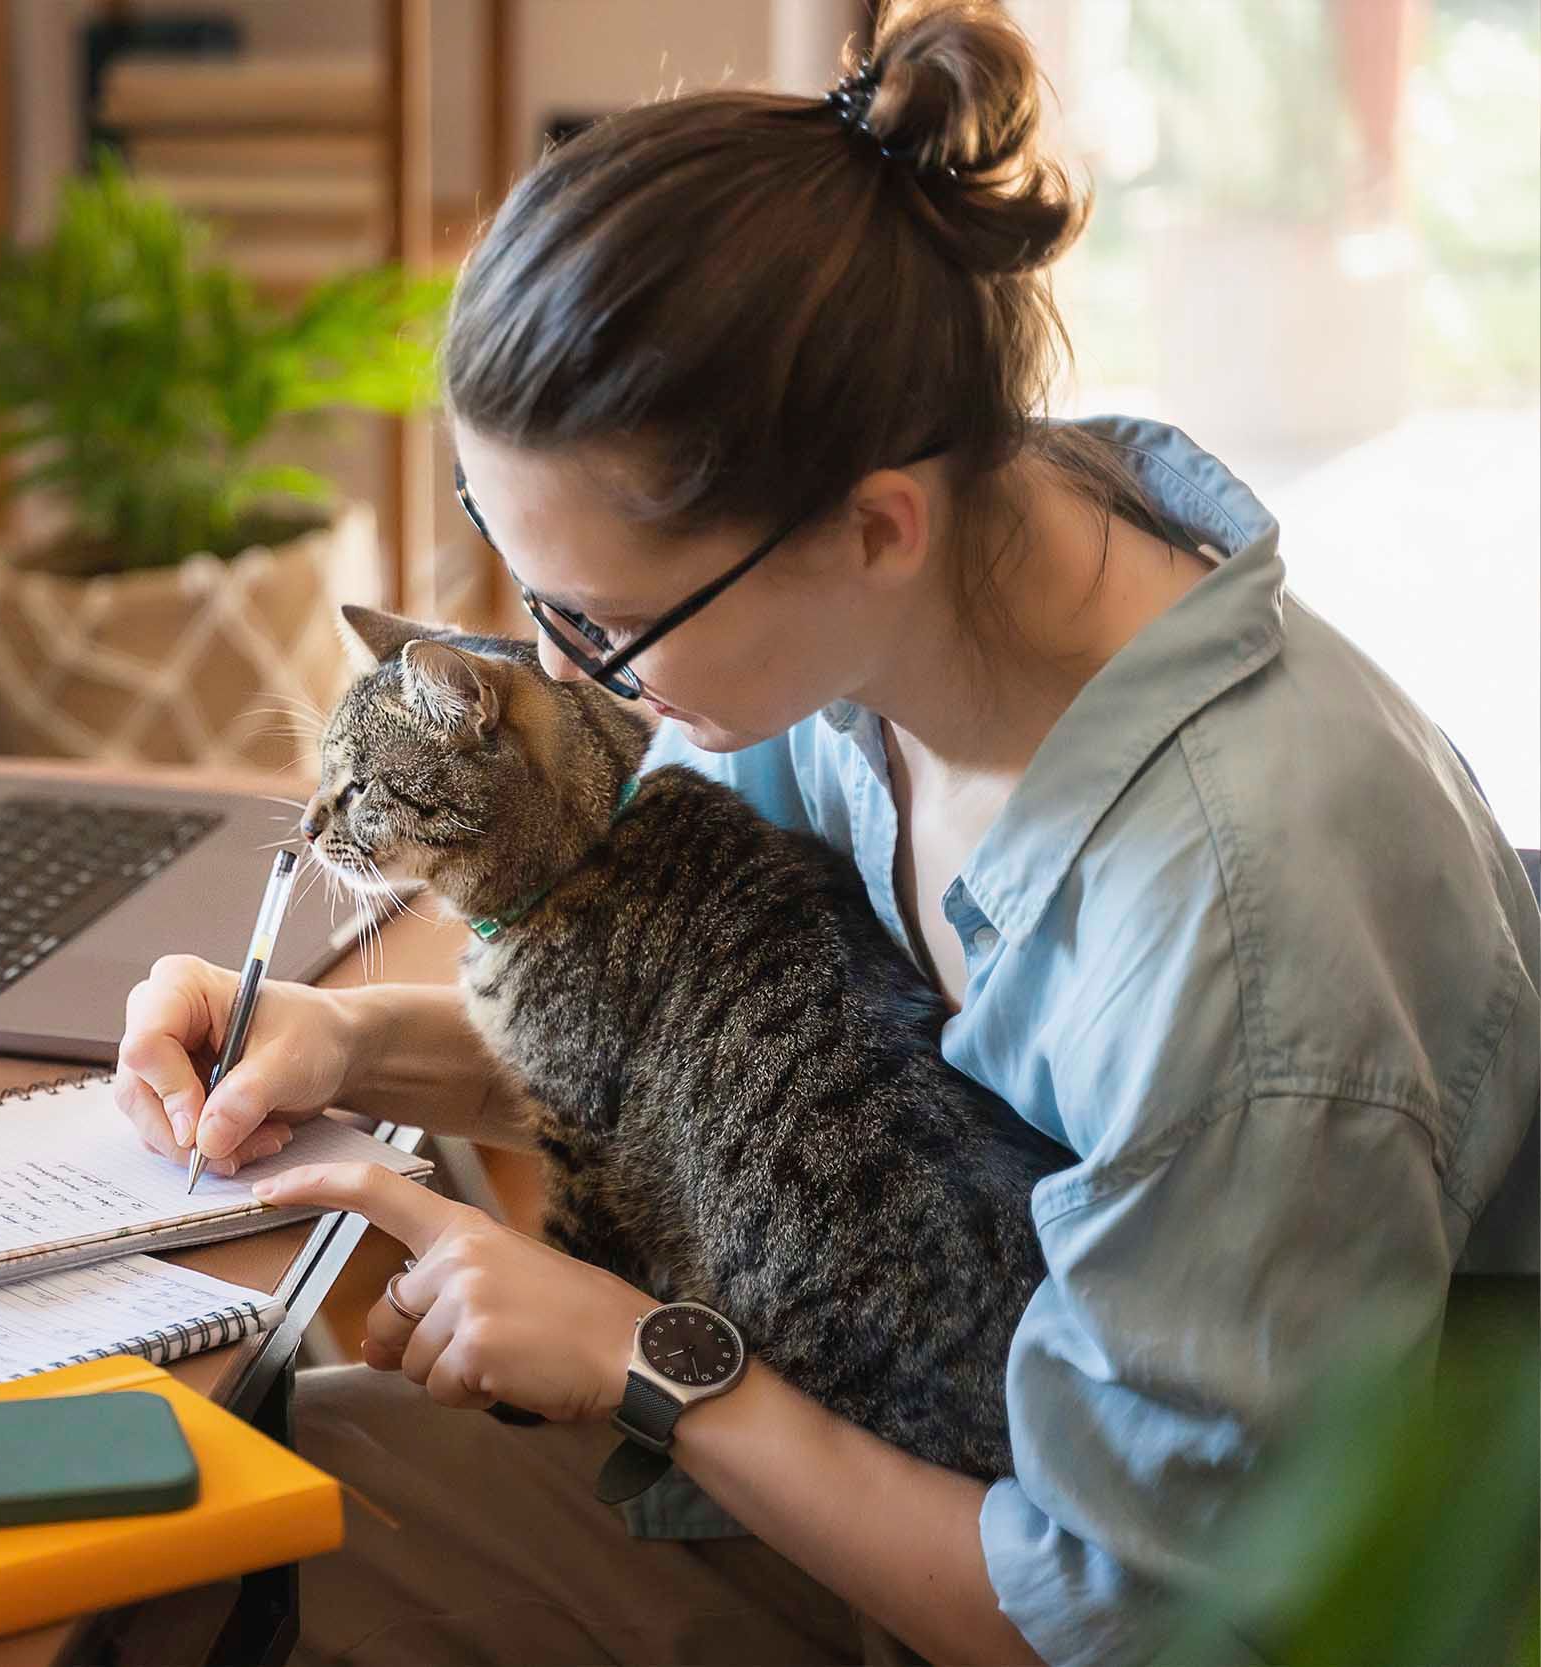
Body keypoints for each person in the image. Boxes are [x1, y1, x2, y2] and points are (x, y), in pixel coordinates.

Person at [112, 4, 1541, 1663]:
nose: (565, 680)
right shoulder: (928, 589)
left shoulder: (1233, 943)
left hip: (1069, 1588)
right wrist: (346, 1042)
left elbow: (1105, 1627)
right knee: (182, 1488)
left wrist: (644, 1360)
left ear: (873, 528)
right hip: (873, 1420)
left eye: (608, 624)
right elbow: (673, 1054)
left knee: (202, 1558)